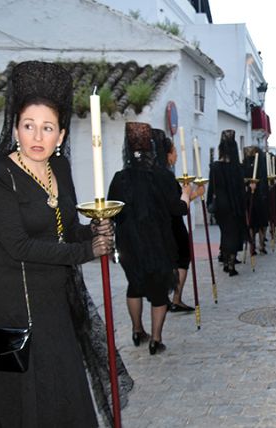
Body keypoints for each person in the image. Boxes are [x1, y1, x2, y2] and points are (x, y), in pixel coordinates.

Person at [0, 60, 132, 427]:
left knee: (66, 401)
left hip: (57, 308)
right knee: (30, 409)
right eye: (28, 126)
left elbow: (68, 232)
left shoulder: (61, 169)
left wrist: (97, 233)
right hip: (17, 312)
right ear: (16, 127)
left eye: (47, 128)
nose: (37, 137)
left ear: (61, 134)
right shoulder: (0, 174)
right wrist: (87, 250)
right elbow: (19, 246)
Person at [108, 122, 191, 355]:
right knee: (158, 290)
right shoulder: (163, 177)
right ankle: (155, 339)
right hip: (157, 241)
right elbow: (178, 209)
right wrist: (185, 194)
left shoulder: (119, 178)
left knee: (134, 285)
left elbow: (113, 210)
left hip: (129, 242)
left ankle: (137, 330)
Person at [152, 128, 203, 313]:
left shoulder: (152, 174)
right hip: (173, 226)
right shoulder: (165, 175)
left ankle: (168, 298)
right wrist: (190, 193)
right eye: (174, 151)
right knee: (182, 259)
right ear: (168, 154)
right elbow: (178, 206)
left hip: (160, 225)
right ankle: (176, 298)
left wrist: (192, 195)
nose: (176, 156)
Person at [206, 130, 247, 276]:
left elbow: (211, 187)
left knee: (225, 233)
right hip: (233, 204)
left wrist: (209, 201)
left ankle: (225, 258)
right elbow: (241, 189)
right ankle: (230, 264)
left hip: (221, 206)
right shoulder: (237, 168)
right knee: (233, 234)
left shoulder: (215, 167)